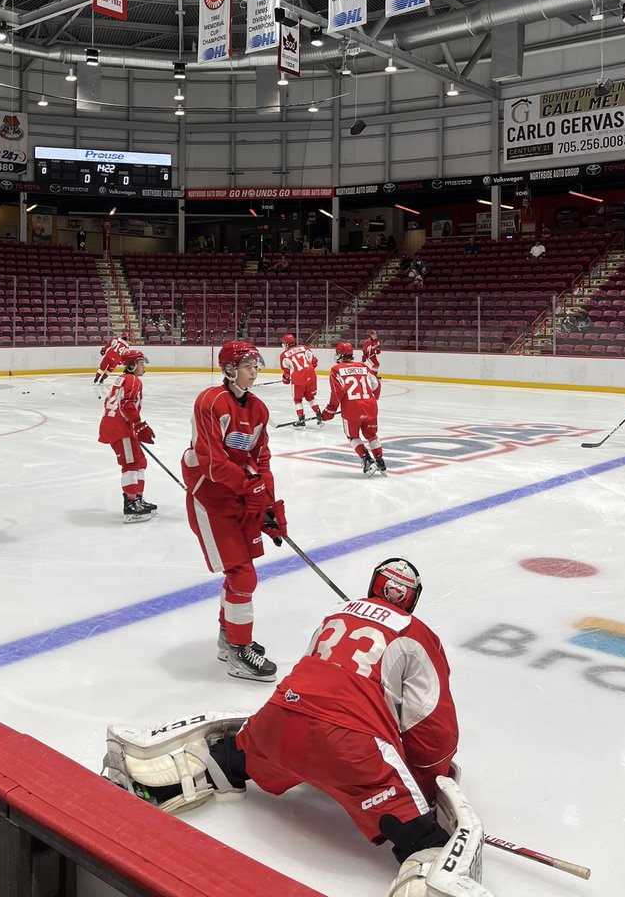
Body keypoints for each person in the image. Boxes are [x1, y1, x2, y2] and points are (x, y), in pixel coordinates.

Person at [103, 559, 490, 897]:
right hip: (352, 748)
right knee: (424, 842)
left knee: (235, 756)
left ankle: (166, 779)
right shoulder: (418, 634)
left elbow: (310, 681)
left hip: (276, 723)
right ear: (413, 599)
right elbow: (431, 729)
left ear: (374, 586)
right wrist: (423, 787)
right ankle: (426, 876)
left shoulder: (337, 613)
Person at [181, 340, 286, 682]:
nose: (255, 371)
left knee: (240, 575)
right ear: (228, 369)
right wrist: (249, 487)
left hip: (238, 495)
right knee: (242, 575)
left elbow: (262, 459)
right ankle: (241, 651)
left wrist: (268, 504)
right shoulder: (211, 401)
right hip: (209, 497)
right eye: (247, 365)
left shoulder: (258, 409)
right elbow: (211, 462)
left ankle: (230, 637)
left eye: (256, 365)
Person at [98, 350, 158, 523]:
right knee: (131, 463)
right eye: (140, 363)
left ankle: (137, 499)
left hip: (121, 426)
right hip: (120, 429)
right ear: (132, 365)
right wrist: (139, 425)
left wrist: (135, 426)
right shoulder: (133, 380)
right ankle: (131, 504)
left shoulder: (122, 379)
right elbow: (127, 404)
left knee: (140, 460)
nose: (143, 366)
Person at [321, 341, 385, 475]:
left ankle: (367, 460)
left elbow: (337, 393)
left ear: (340, 354)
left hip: (352, 409)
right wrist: (372, 399)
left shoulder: (336, 370)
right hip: (371, 406)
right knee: (371, 435)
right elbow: (376, 385)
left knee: (352, 436)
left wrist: (329, 412)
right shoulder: (363, 366)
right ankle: (380, 460)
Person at [279, 333, 322, 427]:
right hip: (311, 375)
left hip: (298, 379)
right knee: (310, 397)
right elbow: (314, 362)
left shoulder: (284, 355)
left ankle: (301, 420)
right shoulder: (304, 348)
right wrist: (307, 372)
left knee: (297, 400)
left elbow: (286, 372)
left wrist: (285, 379)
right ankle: (319, 415)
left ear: (286, 344)